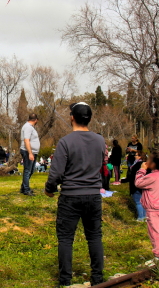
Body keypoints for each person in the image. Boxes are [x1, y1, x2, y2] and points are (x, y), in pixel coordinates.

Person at [44, 102, 106, 287]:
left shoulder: (65, 142)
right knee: (94, 237)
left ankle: (65, 281)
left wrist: (49, 188)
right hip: (94, 195)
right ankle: (98, 279)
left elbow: (56, 173)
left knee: (65, 239)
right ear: (90, 119)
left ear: (72, 117)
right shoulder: (100, 141)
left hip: (70, 197)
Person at [134, 153, 159, 266]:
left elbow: (138, 183)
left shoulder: (152, 177)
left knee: (155, 233)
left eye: (149, 160)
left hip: (153, 210)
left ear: (154, 164)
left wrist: (142, 170)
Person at [20, 113, 40, 196]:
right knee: (27, 171)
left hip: (33, 152)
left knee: (31, 171)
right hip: (28, 151)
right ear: (36, 120)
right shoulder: (28, 127)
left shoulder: (30, 127)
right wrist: (30, 153)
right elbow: (26, 140)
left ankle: (23, 187)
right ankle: (26, 190)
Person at [127, 150, 147, 222]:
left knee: (138, 201)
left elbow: (133, 175)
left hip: (136, 185)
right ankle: (144, 217)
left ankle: (140, 217)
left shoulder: (138, 164)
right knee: (143, 202)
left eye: (136, 155)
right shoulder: (145, 164)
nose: (134, 156)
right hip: (143, 185)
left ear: (140, 156)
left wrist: (127, 178)